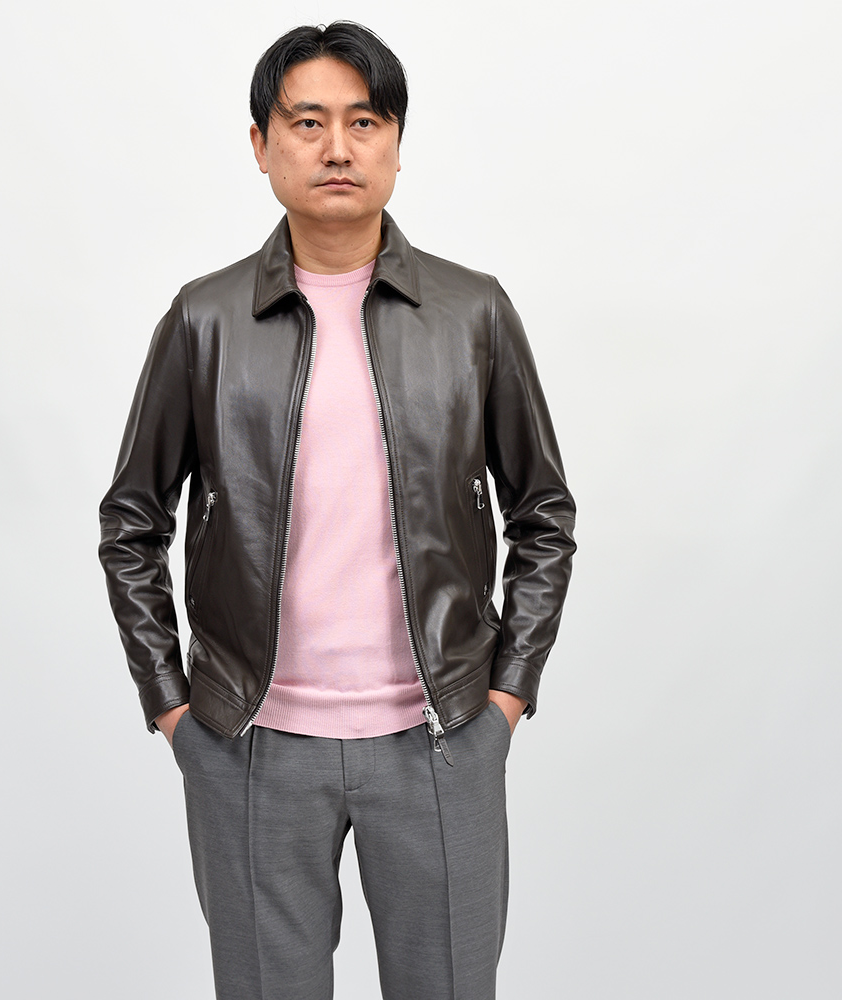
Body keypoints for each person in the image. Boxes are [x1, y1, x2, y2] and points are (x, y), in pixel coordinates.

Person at [99, 21, 575, 1000]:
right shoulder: (203, 320)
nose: (337, 148)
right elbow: (132, 521)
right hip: (250, 743)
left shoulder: (474, 313)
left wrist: (504, 697)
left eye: (364, 121)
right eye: (307, 122)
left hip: (441, 735)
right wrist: (174, 707)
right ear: (261, 144)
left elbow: (543, 512)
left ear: (396, 142)